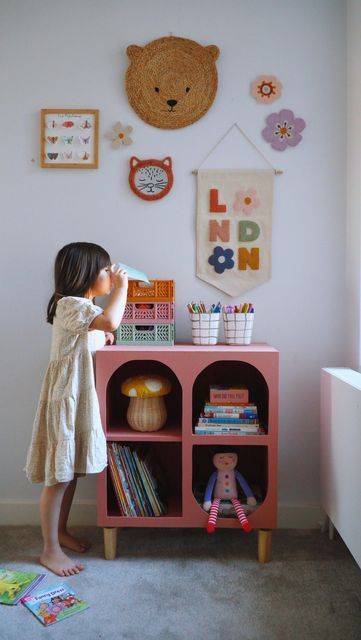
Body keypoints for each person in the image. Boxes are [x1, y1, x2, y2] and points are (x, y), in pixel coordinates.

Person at [24, 242, 128, 576]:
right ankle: (49, 550)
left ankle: (61, 533)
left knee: (69, 473)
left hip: (81, 399)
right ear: (82, 273)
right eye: (105, 269)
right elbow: (111, 322)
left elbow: (99, 333)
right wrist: (123, 287)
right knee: (58, 476)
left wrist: (103, 340)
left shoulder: (86, 308)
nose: (110, 275)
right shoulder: (70, 305)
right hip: (65, 398)